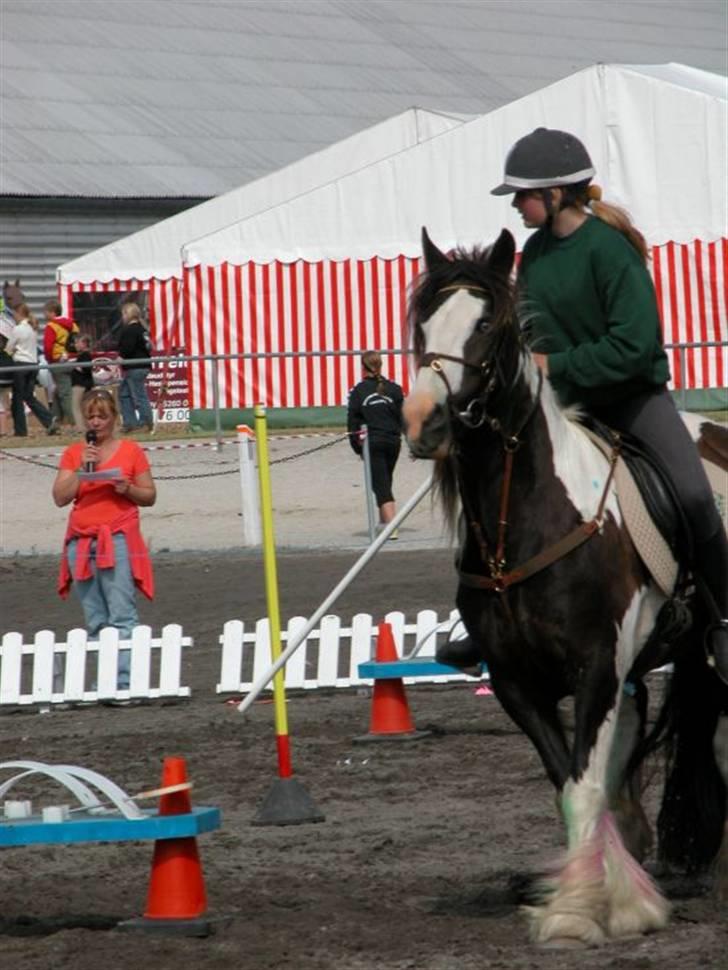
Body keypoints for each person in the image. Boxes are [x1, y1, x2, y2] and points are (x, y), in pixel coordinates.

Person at [485, 126, 728, 682]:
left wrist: (556, 366)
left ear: (555, 194)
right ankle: (491, 616)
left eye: (522, 195)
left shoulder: (609, 250)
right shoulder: (534, 253)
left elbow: (634, 347)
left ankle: (722, 616)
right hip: (564, 407)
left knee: (693, 495)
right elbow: (534, 333)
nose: (517, 206)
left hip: (631, 400)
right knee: (500, 483)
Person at [52, 388, 156, 689]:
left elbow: (149, 495)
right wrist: (79, 468)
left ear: (114, 418)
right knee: (95, 616)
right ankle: (106, 680)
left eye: (102, 416)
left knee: (122, 612)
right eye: (91, 417)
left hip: (118, 538)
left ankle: (125, 682)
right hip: (81, 541)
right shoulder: (73, 453)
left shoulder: (132, 451)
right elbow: (60, 497)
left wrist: (129, 490)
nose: (96, 422)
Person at [347, 351, 404, 539]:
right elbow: (403, 418)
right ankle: (383, 522)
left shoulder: (359, 391)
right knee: (385, 481)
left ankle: (392, 526)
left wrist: (357, 447)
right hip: (393, 441)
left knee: (380, 485)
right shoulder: (395, 389)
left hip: (373, 441)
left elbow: (352, 422)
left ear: (363, 367)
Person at [6, 303, 57, 435]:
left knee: (17, 399)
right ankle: (49, 419)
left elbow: (9, 347)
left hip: (20, 365)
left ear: (18, 314)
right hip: (33, 364)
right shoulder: (32, 328)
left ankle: (21, 430)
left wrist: (13, 350)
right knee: (29, 397)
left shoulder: (17, 329)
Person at [43, 299, 79, 430]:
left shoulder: (51, 326)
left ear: (52, 312)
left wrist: (49, 359)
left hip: (57, 361)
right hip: (71, 360)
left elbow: (47, 347)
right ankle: (55, 423)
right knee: (58, 392)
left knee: (64, 394)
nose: (44, 315)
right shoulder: (72, 324)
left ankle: (74, 424)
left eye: (46, 312)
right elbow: (78, 341)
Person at [117, 302, 153, 432]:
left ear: (128, 314)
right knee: (124, 393)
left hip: (134, 366)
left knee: (138, 395)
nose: (122, 317)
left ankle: (145, 422)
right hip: (144, 365)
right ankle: (130, 422)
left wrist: (120, 358)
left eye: (123, 314)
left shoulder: (129, 330)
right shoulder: (143, 329)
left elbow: (127, 348)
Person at [71, 334, 94, 431]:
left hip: (81, 384)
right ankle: (85, 426)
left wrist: (76, 367)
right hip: (83, 383)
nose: (75, 345)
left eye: (77, 342)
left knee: (76, 406)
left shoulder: (85, 355)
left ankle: (81, 428)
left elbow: (87, 368)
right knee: (83, 406)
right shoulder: (83, 355)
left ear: (84, 344)